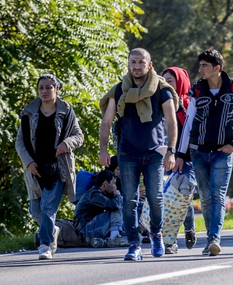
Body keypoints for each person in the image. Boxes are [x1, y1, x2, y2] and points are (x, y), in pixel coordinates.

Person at [99, 48, 179, 261]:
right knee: (130, 201)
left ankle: (156, 233)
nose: (136, 66)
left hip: (155, 152)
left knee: (155, 197)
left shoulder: (162, 89)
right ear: (128, 64)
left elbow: (172, 121)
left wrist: (171, 151)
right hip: (128, 153)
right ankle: (134, 244)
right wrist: (103, 150)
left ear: (149, 65)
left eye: (140, 62)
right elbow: (106, 121)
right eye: (133, 62)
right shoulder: (119, 91)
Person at [176, 48, 233, 257]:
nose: (200, 70)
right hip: (198, 152)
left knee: (217, 196)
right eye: (200, 66)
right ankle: (210, 238)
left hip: (222, 153)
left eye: (205, 66)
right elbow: (188, 123)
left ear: (217, 68)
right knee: (206, 197)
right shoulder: (196, 90)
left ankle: (214, 239)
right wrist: (181, 154)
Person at [16, 74, 84, 260]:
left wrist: (66, 144)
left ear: (57, 89)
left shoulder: (66, 111)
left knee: (48, 207)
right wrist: (28, 162)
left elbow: (79, 136)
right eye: (41, 88)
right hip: (35, 167)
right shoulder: (28, 112)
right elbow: (20, 142)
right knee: (35, 210)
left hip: (58, 168)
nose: (45, 91)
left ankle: (45, 245)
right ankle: (53, 229)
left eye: (49, 87)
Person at [162, 66, 198, 251]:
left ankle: (189, 228)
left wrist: (180, 155)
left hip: (187, 161)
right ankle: (170, 242)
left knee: (183, 197)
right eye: (164, 81)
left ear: (180, 82)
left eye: (170, 81)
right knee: (167, 200)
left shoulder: (190, 105)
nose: (166, 85)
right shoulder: (159, 103)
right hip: (162, 159)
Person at [73, 170, 128, 248]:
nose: (115, 187)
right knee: (116, 207)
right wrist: (118, 196)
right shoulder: (93, 194)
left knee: (130, 236)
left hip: (91, 230)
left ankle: (105, 242)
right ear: (105, 184)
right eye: (114, 183)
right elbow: (113, 205)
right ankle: (115, 237)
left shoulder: (101, 194)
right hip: (85, 231)